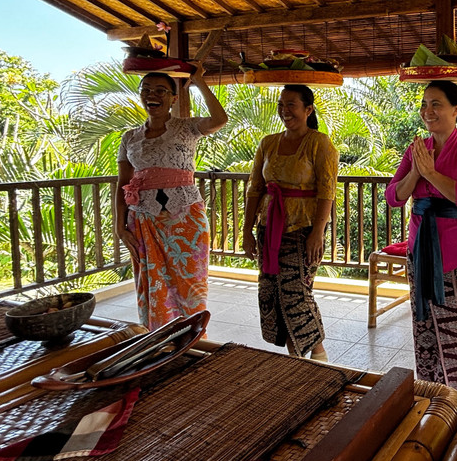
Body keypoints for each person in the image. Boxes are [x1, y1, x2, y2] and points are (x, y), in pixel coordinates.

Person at [386, 80, 457, 401]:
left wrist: (431, 174)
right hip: (421, 248)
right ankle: (431, 400)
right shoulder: (416, 150)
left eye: (436, 104)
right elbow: (393, 196)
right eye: (424, 104)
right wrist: (416, 173)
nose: (427, 111)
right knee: (425, 328)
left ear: (456, 109)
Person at [116, 67, 228, 330]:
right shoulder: (130, 137)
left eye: (160, 91)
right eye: (146, 90)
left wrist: (199, 81)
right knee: (151, 283)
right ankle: (158, 341)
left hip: (186, 216)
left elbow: (219, 118)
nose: (151, 95)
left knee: (190, 283)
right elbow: (122, 184)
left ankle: (190, 338)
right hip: (143, 218)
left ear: (173, 99)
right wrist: (119, 227)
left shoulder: (187, 127)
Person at [242, 85, 338, 361]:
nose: (285, 111)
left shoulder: (319, 143)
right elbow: (255, 188)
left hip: (304, 227)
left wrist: (317, 233)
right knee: (271, 292)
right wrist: (247, 230)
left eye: (291, 105)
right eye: (281, 105)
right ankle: (295, 357)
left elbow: (327, 191)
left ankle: (318, 356)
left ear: (308, 109)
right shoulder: (268, 142)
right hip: (269, 228)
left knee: (297, 293)